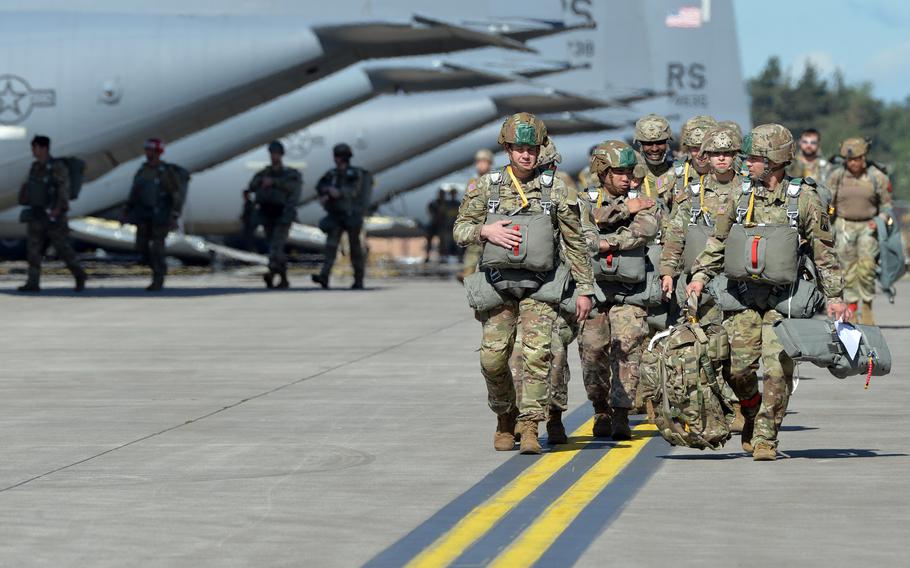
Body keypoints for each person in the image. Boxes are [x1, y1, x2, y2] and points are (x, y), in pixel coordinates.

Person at [687, 124, 849, 461]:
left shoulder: (804, 199)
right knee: (735, 369)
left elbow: (824, 251)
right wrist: (700, 276)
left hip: (783, 300)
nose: (747, 164)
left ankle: (766, 438)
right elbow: (717, 241)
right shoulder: (738, 196)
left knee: (777, 370)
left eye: (755, 158)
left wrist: (835, 298)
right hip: (743, 297)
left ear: (774, 161)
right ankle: (750, 407)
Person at [454, 112, 594, 454]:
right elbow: (459, 231)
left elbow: (574, 241)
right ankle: (505, 416)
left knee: (537, 355)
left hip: (540, 286)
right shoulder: (486, 187)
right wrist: (484, 231)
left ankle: (530, 426)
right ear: (507, 149)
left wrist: (586, 289)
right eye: (519, 148)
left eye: (531, 148)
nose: (526, 154)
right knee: (493, 359)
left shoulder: (557, 190)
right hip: (499, 285)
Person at [659, 125, 745, 430]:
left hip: (737, 283)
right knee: (705, 349)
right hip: (698, 283)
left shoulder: (748, 190)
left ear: (737, 156)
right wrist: (668, 272)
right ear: (705, 157)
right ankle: (722, 409)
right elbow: (674, 238)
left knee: (736, 353)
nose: (721, 159)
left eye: (727, 153)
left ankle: (741, 404)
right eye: (715, 154)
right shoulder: (691, 194)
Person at [577, 140, 659, 440]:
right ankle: (601, 409)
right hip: (595, 291)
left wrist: (608, 242)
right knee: (592, 352)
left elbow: (645, 230)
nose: (627, 177)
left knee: (627, 347)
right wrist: (624, 209)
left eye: (628, 171)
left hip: (630, 291)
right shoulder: (585, 199)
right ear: (603, 172)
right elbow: (580, 230)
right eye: (619, 172)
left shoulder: (646, 200)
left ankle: (622, 413)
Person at [826, 137, 893, 324]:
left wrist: (879, 220)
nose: (854, 163)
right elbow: (827, 202)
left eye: (857, 159)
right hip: (844, 225)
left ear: (864, 157)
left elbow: (887, 206)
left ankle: (868, 306)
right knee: (847, 270)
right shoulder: (837, 176)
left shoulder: (877, 176)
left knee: (866, 268)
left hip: (867, 226)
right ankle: (852, 308)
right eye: (850, 160)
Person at [16, 135, 86, 292]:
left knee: (62, 248)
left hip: (54, 215)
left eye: (35, 148)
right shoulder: (35, 167)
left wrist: (57, 209)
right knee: (33, 250)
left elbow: (63, 188)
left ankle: (79, 275)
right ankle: (33, 283)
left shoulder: (57, 167)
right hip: (37, 213)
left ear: (44, 148)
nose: (33, 151)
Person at [123, 138, 186, 292]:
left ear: (157, 152)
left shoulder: (166, 172)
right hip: (144, 215)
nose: (147, 153)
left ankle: (158, 278)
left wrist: (174, 214)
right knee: (141, 248)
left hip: (161, 216)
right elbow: (135, 191)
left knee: (157, 249)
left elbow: (176, 194)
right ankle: (158, 270)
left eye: (150, 150)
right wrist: (127, 209)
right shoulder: (143, 170)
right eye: (146, 150)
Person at [313, 143, 373, 290]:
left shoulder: (355, 174)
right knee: (331, 247)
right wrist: (327, 191)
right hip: (336, 216)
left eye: (339, 156)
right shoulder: (332, 174)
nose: (337, 159)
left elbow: (354, 190)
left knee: (355, 249)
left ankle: (358, 280)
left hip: (351, 216)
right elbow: (320, 186)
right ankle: (324, 277)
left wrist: (339, 192)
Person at [246, 140, 302, 288]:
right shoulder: (264, 173)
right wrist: (261, 183)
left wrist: (273, 182)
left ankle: (272, 273)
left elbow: (293, 188)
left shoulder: (289, 174)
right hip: (267, 214)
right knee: (274, 246)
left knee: (276, 247)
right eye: (272, 153)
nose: (274, 156)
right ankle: (282, 278)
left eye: (276, 153)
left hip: (283, 215)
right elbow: (252, 186)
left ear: (281, 155)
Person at [633, 114, 679, 222]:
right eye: (648, 143)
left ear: (667, 143)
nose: (654, 149)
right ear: (640, 145)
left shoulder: (680, 172)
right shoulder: (629, 175)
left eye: (659, 142)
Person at [458, 149, 494, 281]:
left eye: (484, 162)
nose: (481, 165)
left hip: (491, 223)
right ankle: (468, 276)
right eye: (479, 162)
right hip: (476, 224)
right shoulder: (472, 182)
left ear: (489, 163)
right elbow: (466, 202)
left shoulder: (494, 180)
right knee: (472, 251)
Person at [425, 189, 446, 262]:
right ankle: (427, 256)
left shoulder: (445, 203)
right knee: (429, 240)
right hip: (434, 224)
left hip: (442, 224)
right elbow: (430, 211)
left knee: (442, 242)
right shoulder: (434, 203)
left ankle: (442, 257)